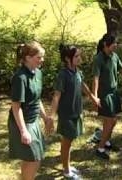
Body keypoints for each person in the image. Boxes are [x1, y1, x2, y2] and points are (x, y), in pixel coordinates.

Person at [49, 44, 100, 178]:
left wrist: (93, 98)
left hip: (76, 112)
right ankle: (66, 171)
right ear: (67, 59)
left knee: (70, 141)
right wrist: (51, 117)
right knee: (66, 143)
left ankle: (67, 166)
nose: (79, 58)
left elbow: (83, 85)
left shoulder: (77, 71)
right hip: (66, 115)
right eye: (76, 56)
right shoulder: (63, 75)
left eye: (79, 55)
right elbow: (56, 96)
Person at [8, 41, 54, 180]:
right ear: (28, 58)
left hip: (33, 121)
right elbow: (16, 107)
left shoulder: (38, 73)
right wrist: (23, 131)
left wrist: (45, 118)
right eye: (39, 57)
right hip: (22, 123)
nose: (42, 60)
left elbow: (36, 99)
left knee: (33, 158)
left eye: (42, 57)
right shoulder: (20, 78)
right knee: (34, 158)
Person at [92, 34, 122, 160]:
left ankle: (106, 142)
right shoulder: (98, 59)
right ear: (105, 44)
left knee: (113, 121)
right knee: (110, 121)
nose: (116, 45)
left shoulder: (114, 56)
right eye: (114, 43)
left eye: (116, 43)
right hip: (104, 95)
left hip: (114, 93)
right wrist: (95, 96)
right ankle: (100, 148)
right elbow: (96, 78)